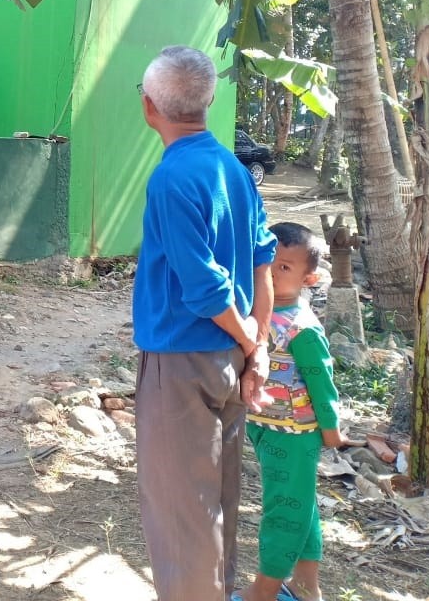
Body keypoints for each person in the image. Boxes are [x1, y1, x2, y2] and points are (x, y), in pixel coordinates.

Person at [134, 45, 276, 601]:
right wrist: (257, 347)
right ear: (209, 101)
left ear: (150, 108)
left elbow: (204, 289)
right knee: (217, 506)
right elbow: (263, 263)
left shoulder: (172, 179)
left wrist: (248, 338)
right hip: (230, 364)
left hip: (181, 365)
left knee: (183, 519)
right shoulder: (234, 171)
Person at [238, 222, 345, 601]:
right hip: (268, 429)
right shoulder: (256, 315)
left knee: (284, 509)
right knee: (302, 504)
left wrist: (331, 429)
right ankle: (306, 588)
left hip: (295, 434)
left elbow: (320, 379)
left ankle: (263, 591)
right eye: (266, 263)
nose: (269, 272)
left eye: (284, 267)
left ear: (309, 278)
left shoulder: (301, 328)